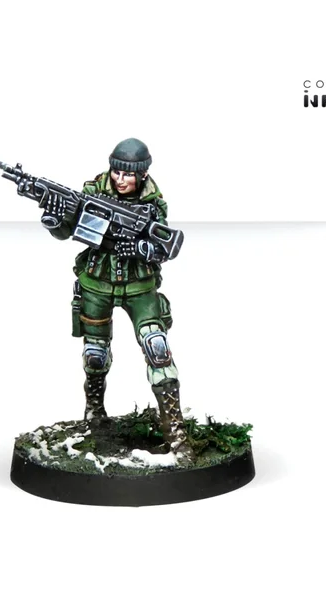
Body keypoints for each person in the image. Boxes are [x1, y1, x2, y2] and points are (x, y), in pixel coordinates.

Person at [46, 138, 192, 458]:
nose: (120, 179)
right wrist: (55, 219)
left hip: (139, 285)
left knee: (157, 348)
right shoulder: (91, 193)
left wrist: (140, 247)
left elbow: (166, 247)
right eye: (116, 172)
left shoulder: (152, 203)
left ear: (141, 174)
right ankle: (94, 415)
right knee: (95, 354)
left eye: (128, 174)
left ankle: (174, 430)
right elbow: (68, 230)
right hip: (97, 280)